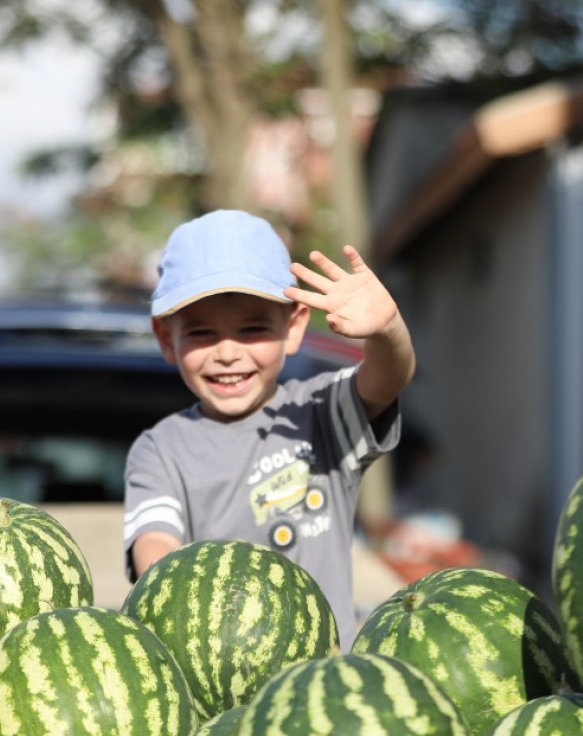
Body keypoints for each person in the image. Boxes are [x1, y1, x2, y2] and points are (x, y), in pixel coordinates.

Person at [123, 209, 416, 648]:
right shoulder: (159, 449)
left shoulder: (319, 411)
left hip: (328, 678)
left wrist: (386, 331)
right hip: (219, 688)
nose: (227, 352)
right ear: (167, 339)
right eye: (202, 333)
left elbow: (388, 378)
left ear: (293, 327)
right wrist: (190, 596)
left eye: (253, 329)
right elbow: (154, 544)